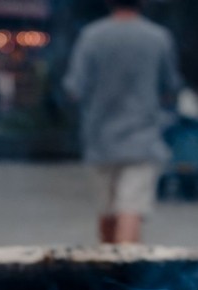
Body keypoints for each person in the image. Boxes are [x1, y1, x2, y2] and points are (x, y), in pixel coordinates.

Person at [63, 0, 181, 244]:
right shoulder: (158, 37)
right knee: (130, 211)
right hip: (142, 139)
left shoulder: (91, 36)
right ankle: (126, 275)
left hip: (100, 139)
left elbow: (74, 88)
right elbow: (171, 86)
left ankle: (110, 278)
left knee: (107, 215)